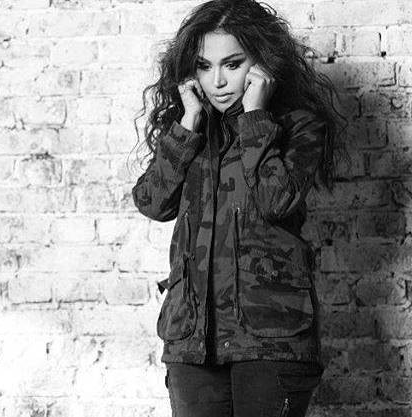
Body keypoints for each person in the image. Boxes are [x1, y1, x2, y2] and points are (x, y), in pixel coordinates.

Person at [130, 0, 348, 415]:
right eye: (204, 66)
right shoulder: (190, 129)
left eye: (232, 64)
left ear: (261, 63)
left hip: (271, 339)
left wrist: (254, 117)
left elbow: (276, 200)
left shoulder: (298, 125)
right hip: (193, 342)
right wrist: (187, 125)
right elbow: (153, 203)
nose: (217, 81)